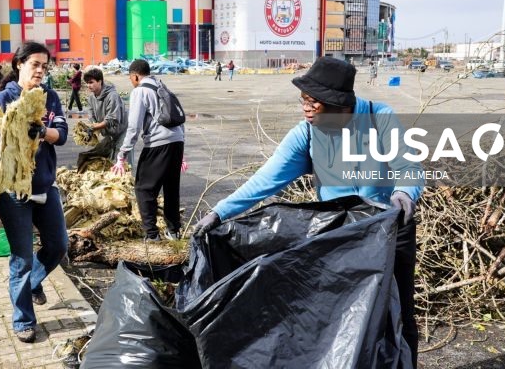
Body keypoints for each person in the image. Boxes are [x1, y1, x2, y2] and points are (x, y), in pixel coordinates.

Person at [192, 57, 424, 366]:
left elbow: (409, 166)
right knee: (341, 317)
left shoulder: (379, 117)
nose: (306, 108)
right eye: (304, 100)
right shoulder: (307, 134)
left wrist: (404, 195)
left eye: (314, 102)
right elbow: (266, 178)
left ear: (338, 103)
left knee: (397, 314)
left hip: (387, 231)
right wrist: (219, 213)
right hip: (340, 236)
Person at [0, 41, 69, 344]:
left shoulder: (51, 98)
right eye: (35, 65)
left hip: (44, 185)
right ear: (19, 64)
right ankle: (23, 320)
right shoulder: (0, 99)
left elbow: (62, 135)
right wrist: (7, 131)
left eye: (45, 65)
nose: (41, 71)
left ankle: (31, 284)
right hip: (13, 191)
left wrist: (42, 131)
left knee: (58, 245)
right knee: (21, 258)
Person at [111, 59, 187, 241]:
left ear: (135, 76)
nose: (131, 81)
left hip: (158, 144)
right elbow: (179, 120)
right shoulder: (163, 87)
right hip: (177, 142)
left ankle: (152, 235)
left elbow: (134, 127)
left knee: (144, 189)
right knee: (171, 188)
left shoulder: (140, 91)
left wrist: (122, 154)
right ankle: (173, 231)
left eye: (131, 78)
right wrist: (181, 154)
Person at [83, 66, 128, 160]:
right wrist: (91, 129)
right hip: (108, 134)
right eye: (87, 83)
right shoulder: (91, 98)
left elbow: (112, 119)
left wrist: (93, 127)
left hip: (122, 133)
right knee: (109, 163)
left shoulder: (112, 96)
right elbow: (91, 116)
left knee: (122, 164)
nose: (88, 85)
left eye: (91, 82)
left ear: (100, 81)